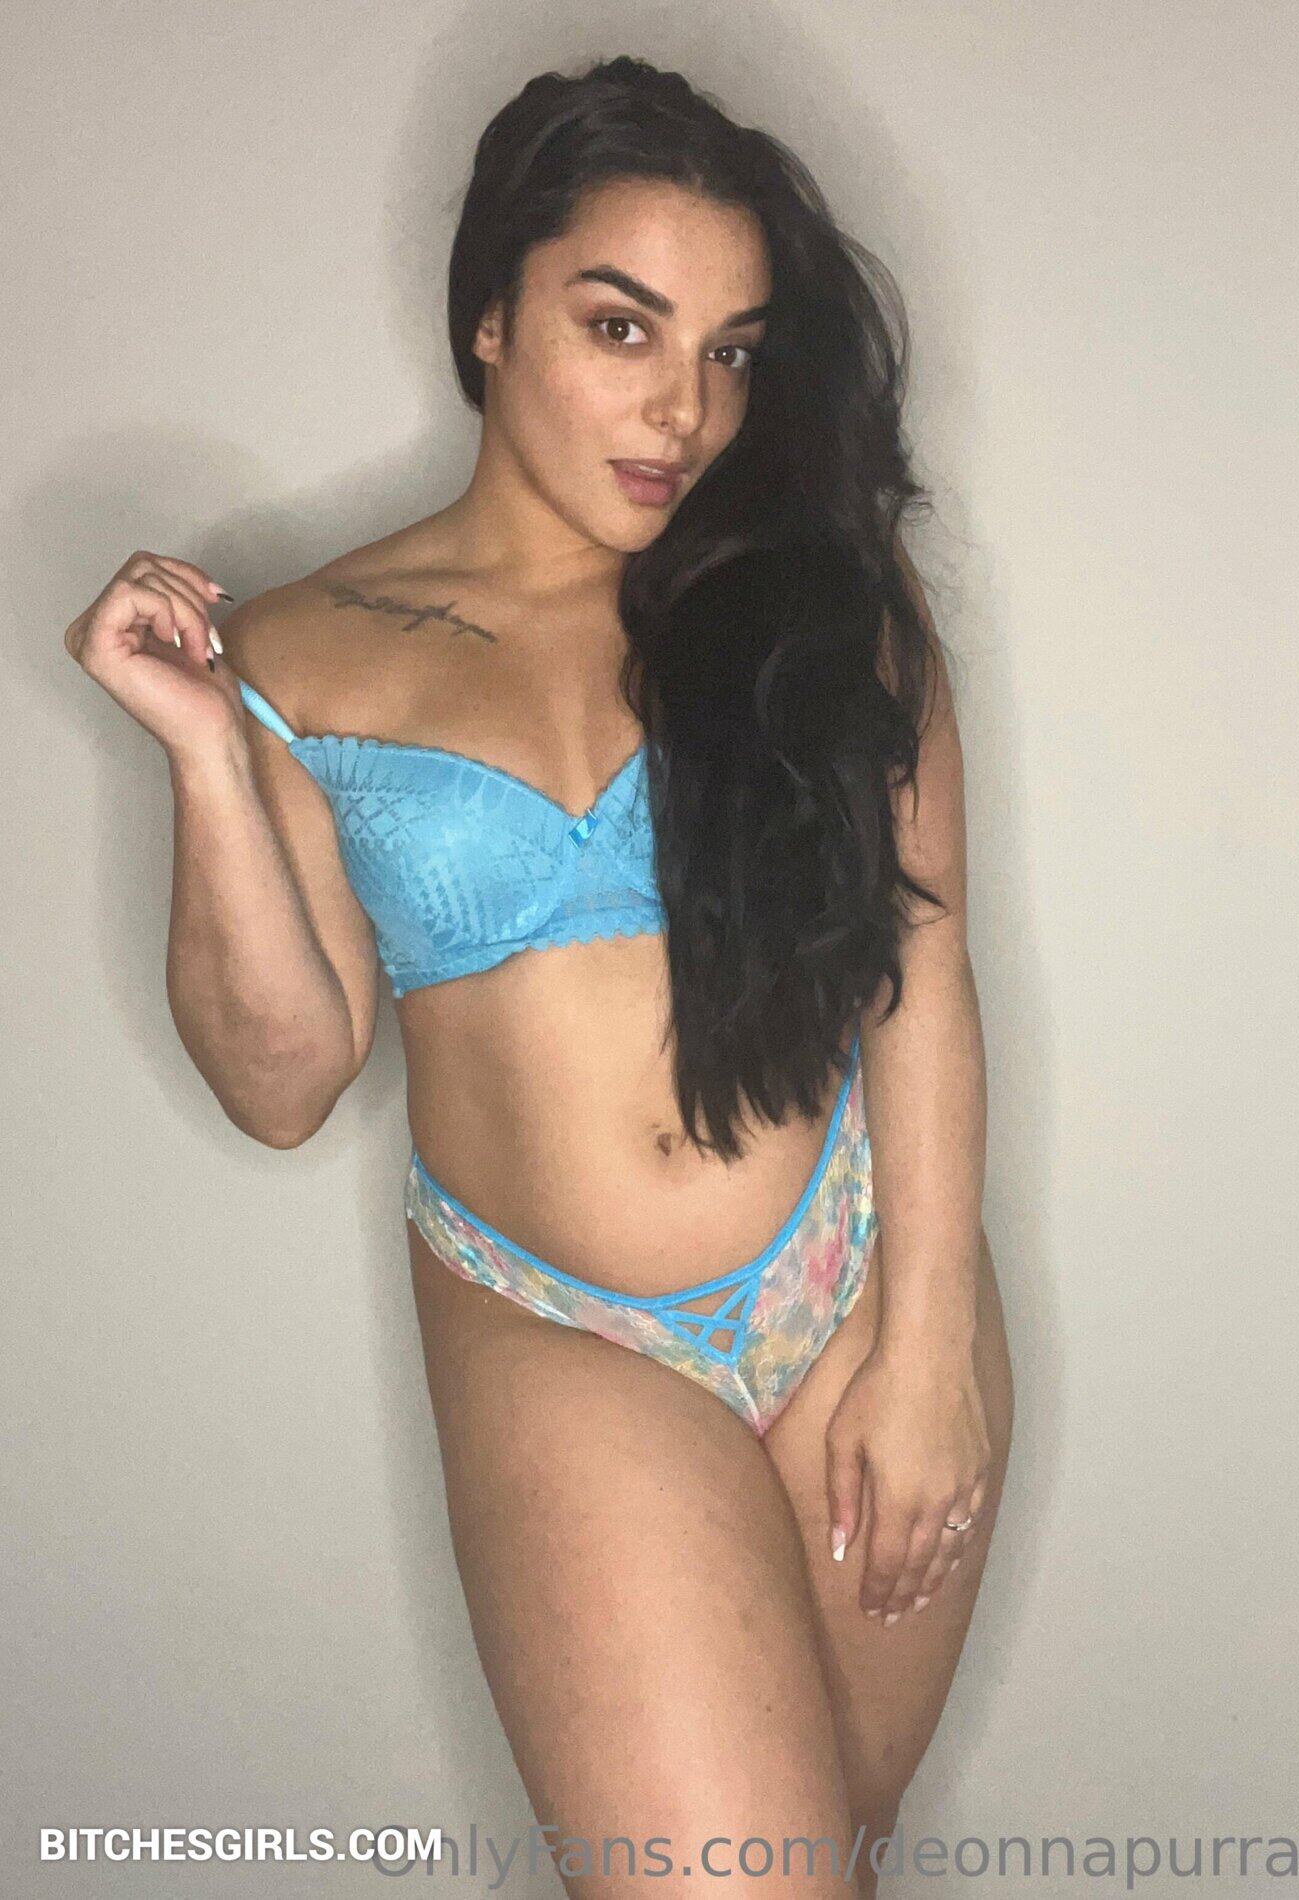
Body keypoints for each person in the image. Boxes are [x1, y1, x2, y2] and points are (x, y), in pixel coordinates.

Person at [65, 54, 1013, 1898]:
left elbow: (921, 972)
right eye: (620, 326)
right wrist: (200, 755)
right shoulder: (302, 646)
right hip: (556, 1330)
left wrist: (925, 1358)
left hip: (860, 1288)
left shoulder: (824, 605)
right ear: (489, 316)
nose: (682, 408)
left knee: (843, 1854)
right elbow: (284, 1084)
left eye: (730, 351)